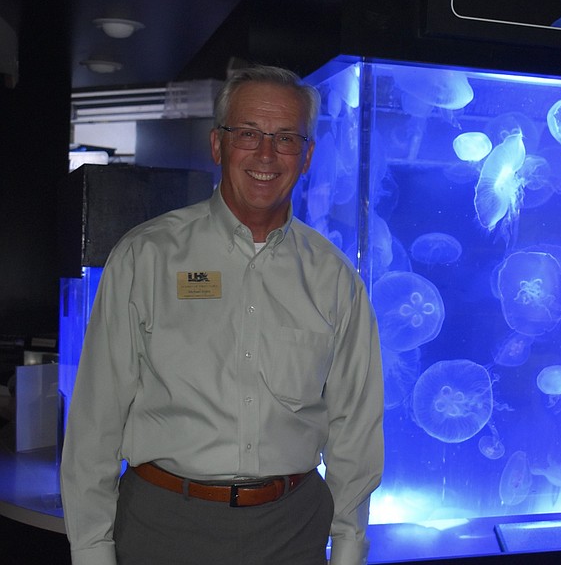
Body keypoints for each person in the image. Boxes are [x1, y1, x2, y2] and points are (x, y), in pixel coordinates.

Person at [60, 65, 384, 565]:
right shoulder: (145, 257)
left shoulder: (336, 280)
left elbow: (355, 432)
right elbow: (95, 423)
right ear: (218, 145)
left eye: (286, 138)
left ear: (307, 156)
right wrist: (90, 551)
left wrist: (346, 549)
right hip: (162, 527)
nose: (266, 154)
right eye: (248, 133)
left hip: (292, 533)